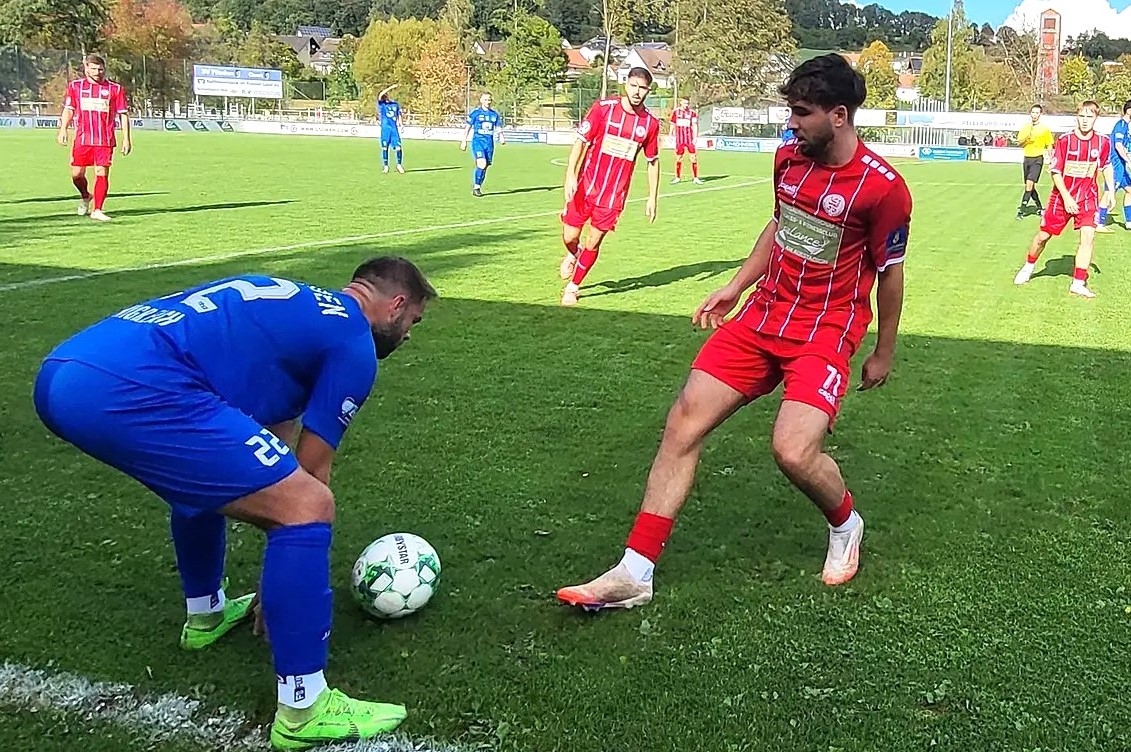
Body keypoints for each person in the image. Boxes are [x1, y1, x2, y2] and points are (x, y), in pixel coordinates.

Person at [33, 257, 436, 750]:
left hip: (68, 367)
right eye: (413, 321)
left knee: (205, 475)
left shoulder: (296, 307)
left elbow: (266, 439)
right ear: (395, 305)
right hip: (131, 385)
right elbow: (310, 472)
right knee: (309, 505)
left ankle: (206, 614)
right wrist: (278, 578)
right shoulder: (354, 342)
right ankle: (304, 708)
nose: (408, 334)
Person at [556, 53, 912, 610]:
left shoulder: (883, 189)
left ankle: (846, 524)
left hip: (825, 329)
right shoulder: (787, 158)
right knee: (684, 420)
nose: (791, 123)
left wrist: (884, 350)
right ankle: (635, 571)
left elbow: (891, 273)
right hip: (765, 313)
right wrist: (736, 285)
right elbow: (780, 225)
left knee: (793, 451)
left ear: (839, 115)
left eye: (802, 113)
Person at [558, 67, 661, 307]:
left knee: (594, 242)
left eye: (643, 88)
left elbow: (653, 161)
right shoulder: (603, 109)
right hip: (585, 187)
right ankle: (574, 254)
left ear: (648, 91)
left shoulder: (650, 123)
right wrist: (570, 175)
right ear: (626, 84)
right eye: (634, 86)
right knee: (570, 237)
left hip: (613, 196)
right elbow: (581, 142)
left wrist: (652, 197)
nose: (637, 92)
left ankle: (573, 287)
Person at [1013, 100, 1114, 298]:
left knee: (1088, 237)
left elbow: (1106, 165)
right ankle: (1028, 266)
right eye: (1082, 116)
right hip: (1062, 198)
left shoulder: (1102, 142)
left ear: (1096, 118)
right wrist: (1067, 198)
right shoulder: (1065, 140)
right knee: (1043, 236)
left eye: (1089, 116)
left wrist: (1109, 189)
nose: (1085, 120)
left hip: (1088, 198)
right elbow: (1056, 172)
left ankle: (1078, 282)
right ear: (1077, 117)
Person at [56, 53, 131, 222]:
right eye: (94, 69)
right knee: (77, 174)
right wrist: (63, 129)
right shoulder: (75, 87)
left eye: (101, 69)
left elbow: (123, 114)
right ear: (86, 69)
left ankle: (98, 209)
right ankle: (85, 195)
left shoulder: (115, 89)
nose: (98, 72)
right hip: (82, 138)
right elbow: (69, 109)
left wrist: (126, 139)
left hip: (105, 139)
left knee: (101, 172)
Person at [460, 92, 505, 197]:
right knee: (481, 163)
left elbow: (498, 127)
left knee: (484, 167)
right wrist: (464, 141)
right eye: (485, 99)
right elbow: (468, 127)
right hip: (478, 142)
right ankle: (476, 188)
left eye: (489, 100)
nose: (487, 102)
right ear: (481, 100)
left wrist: (501, 136)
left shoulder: (494, 114)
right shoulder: (476, 113)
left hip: (489, 144)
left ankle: (478, 185)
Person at [1097, 99, 1131, 231]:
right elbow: (1118, 145)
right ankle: (1099, 223)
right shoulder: (1121, 125)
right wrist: (1128, 160)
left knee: (1130, 190)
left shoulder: (1126, 126)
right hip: (1115, 165)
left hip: (1121, 165)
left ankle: (1129, 221)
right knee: (1109, 192)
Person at [1016, 104, 1054, 219]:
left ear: (1040, 114)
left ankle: (1022, 211)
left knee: (1029, 184)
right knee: (1030, 186)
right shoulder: (1025, 128)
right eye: (1033, 112)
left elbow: (1049, 145)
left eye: (1037, 113)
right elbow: (1019, 144)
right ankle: (1039, 208)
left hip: (1037, 158)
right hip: (1027, 158)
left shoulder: (1044, 129)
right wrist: (1026, 139)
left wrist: (1051, 160)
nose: (1034, 115)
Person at [669, 97, 703, 184]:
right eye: (684, 103)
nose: (686, 105)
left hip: (689, 139)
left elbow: (694, 125)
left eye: (687, 103)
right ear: (681, 103)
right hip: (679, 140)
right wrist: (670, 134)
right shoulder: (676, 112)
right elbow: (672, 124)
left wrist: (695, 137)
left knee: (693, 158)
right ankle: (677, 177)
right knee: (679, 158)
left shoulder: (692, 113)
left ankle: (695, 178)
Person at [377, 85, 405, 174]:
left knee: (398, 147)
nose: (384, 96)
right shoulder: (382, 105)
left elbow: (398, 115)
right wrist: (391, 87)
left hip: (394, 129)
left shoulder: (395, 104)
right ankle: (386, 166)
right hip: (385, 129)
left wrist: (401, 124)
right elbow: (380, 95)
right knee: (385, 148)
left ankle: (399, 165)